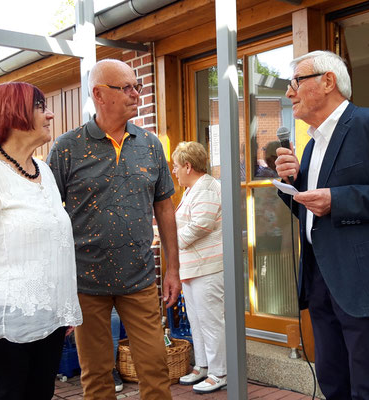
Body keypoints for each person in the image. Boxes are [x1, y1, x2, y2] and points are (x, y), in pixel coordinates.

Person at [274, 51, 369, 400]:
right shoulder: (312, 145)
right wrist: (294, 186)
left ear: (327, 82)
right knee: (334, 385)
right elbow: (315, 211)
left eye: (295, 82)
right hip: (322, 281)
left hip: (367, 284)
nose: (289, 93)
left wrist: (338, 200)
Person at [48, 58, 181, 400]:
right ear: (99, 94)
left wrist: (173, 270)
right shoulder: (66, 148)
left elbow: (164, 207)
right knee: (96, 374)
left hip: (138, 278)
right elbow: (49, 215)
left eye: (138, 86)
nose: (136, 94)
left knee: (155, 367)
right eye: (127, 88)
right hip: (86, 283)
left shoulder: (150, 145)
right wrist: (57, 281)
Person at [0, 82, 83, 400]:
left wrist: (61, 307)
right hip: (4, 332)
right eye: (40, 107)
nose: (50, 114)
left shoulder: (44, 172)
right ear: (13, 113)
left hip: (47, 324)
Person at [172, 141, 226, 394]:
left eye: (176, 167)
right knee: (196, 320)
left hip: (208, 267)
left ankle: (220, 372)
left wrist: (173, 240)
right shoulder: (193, 189)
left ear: (188, 166)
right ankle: (203, 365)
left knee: (211, 321)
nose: (174, 171)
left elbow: (202, 225)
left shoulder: (207, 188)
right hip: (193, 268)